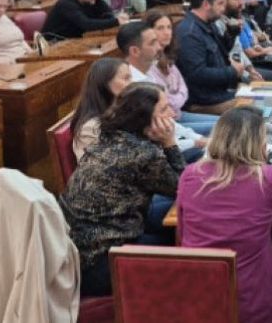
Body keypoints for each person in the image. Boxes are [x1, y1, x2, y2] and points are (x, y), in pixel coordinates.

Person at [60, 83, 185, 296]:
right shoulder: (141, 153)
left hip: (79, 252)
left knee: (172, 220)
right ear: (144, 119)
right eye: (164, 110)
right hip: (103, 263)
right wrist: (170, 142)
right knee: (184, 241)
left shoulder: (111, 137)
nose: (172, 113)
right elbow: (185, 188)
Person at [178, 106, 272, 323]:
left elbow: (181, 233)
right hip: (253, 305)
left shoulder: (190, 174)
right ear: (260, 142)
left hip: (198, 300)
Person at [118, 22, 209, 158]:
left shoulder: (148, 73)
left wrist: (197, 138)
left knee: (221, 132)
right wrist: (196, 142)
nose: (159, 46)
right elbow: (157, 141)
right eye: (152, 43)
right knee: (221, 140)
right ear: (135, 51)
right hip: (160, 156)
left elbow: (169, 123)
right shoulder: (133, 87)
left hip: (173, 137)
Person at [176, 0, 247, 115]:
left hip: (217, 93)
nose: (223, 8)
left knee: (257, 98)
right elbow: (196, 74)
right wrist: (232, 72)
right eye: (220, 3)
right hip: (203, 101)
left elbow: (222, 52)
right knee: (252, 108)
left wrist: (231, 34)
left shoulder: (208, 23)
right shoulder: (189, 33)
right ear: (206, 4)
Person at [146, 10, 221, 130]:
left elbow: (183, 88)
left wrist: (175, 102)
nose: (167, 33)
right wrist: (173, 103)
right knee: (222, 127)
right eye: (160, 28)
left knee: (223, 122)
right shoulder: (148, 62)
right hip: (168, 122)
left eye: (169, 27)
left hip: (178, 113)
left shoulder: (167, 55)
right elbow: (163, 98)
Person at [69, 57, 132, 160]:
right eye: (126, 78)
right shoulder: (89, 130)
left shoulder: (124, 112)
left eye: (131, 78)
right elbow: (100, 172)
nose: (132, 83)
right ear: (105, 84)